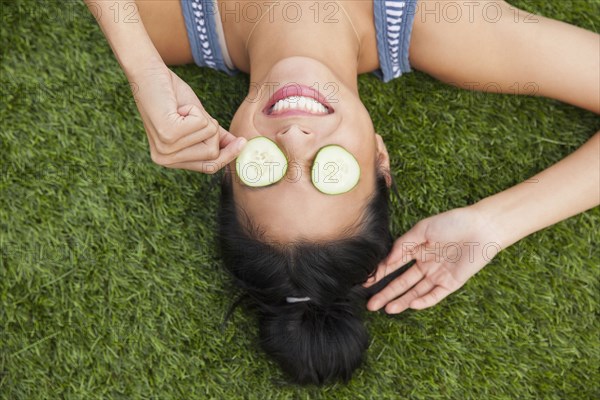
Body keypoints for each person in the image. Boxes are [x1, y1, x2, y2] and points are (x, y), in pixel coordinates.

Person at [85, 0, 599, 385]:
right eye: (330, 173)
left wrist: (142, 66)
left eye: (265, 169)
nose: (295, 140)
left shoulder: (157, 23)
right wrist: (494, 223)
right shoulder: (437, 23)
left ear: (224, 161)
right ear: (380, 157)